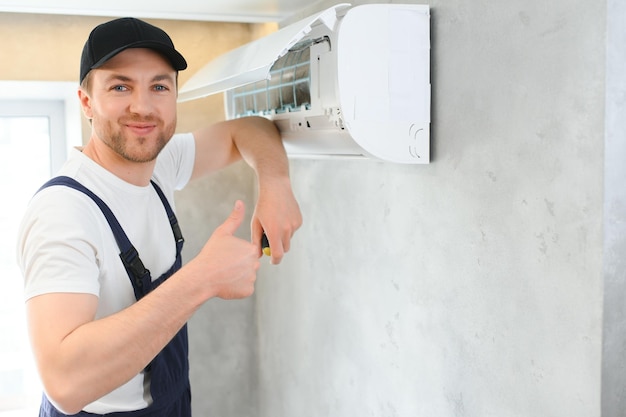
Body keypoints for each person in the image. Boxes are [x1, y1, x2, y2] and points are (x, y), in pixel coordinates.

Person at [16, 17, 302, 417]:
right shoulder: (63, 212)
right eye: (120, 86)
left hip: (170, 403)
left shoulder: (158, 163)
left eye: (159, 86)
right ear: (86, 102)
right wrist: (203, 279)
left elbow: (249, 130)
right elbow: (65, 384)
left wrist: (275, 183)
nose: (143, 106)